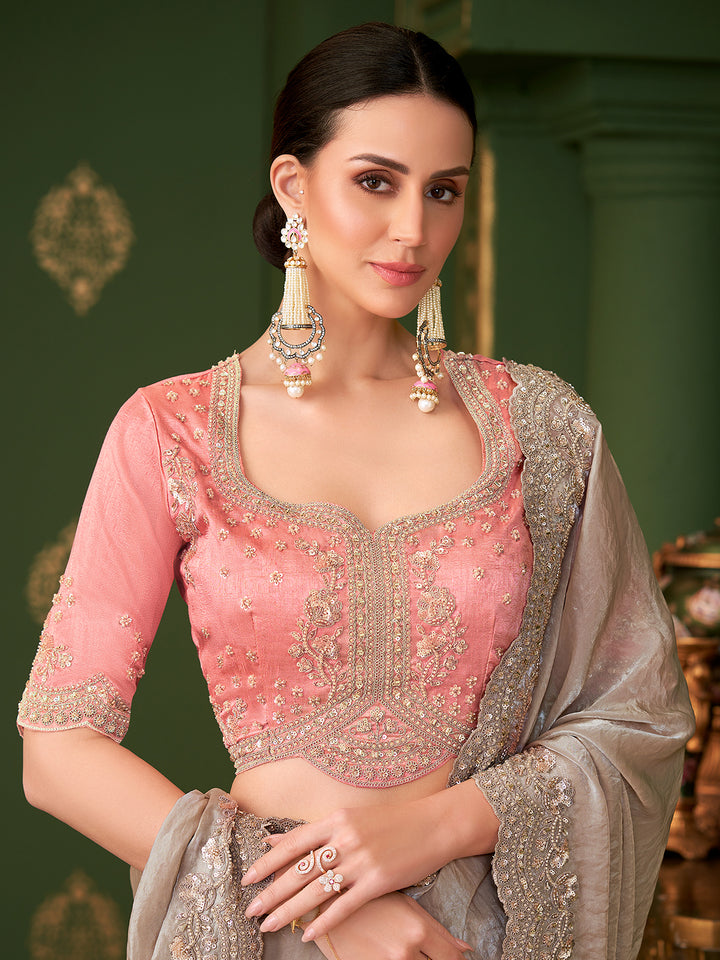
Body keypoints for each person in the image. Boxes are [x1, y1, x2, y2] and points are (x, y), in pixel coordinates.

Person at [18, 21, 693, 960]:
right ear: (293, 186)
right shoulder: (173, 431)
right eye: (376, 181)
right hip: (265, 928)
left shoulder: (538, 429)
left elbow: (636, 715)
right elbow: (58, 750)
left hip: (483, 933)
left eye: (443, 190)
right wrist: (334, 907)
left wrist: (436, 827)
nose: (414, 229)